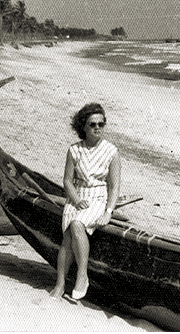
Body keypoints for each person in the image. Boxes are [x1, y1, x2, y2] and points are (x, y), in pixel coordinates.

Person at [50, 102, 121, 300]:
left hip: (98, 198)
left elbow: (114, 186)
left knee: (76, 224)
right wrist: (76, 199)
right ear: (83, 127)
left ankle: (82, 275)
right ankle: (60, 284)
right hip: (77, 197)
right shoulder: (74, 150)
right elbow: (67, 180)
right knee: (67, 238)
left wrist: (108, 212)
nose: (97, 128)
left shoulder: (111, 152)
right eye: (92, 124)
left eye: (101, 124)